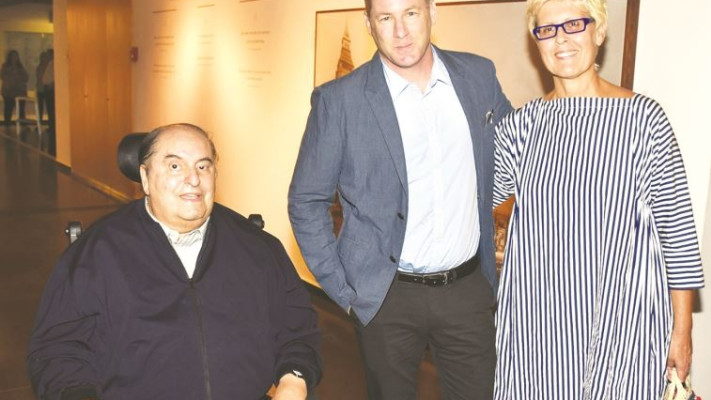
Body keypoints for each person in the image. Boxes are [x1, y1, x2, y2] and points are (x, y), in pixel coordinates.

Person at [288, 0, 512, 398]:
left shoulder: (478, 76)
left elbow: (517, 153)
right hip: (386, 296)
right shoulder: (340, 101)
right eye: (386, 18)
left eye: (411, 13)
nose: (401, 31)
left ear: (432, 12)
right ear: (368, 24)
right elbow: (306, 200)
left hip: (466, 290)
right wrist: (345, 292)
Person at [492, 0, 705, 398]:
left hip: (624, 328)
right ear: (536, 43)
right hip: (539, 331)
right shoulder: (522, 127)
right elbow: (471, 200)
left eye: (574, 24)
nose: (561, 39)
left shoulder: (644, 121)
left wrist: (682, 330)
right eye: (547, 30)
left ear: (600, 32)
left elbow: (677, 232)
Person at [28, 123, 322, 400]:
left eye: (203, 166)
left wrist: (293, 381)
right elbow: (58, 350)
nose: (193, 179)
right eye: (174, 166)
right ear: (145, 177)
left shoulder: (257, 248)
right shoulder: (97, 253)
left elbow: (298, 329)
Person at [1, 50, 29, 126]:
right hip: (8, 92)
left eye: (16, 56)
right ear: (9, 57)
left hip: (20, 91)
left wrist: (19, 75)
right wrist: (11, 72)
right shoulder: (5, 67)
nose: (14, 58)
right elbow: (3, 76)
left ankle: (22, 124)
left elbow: (26, 77)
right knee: (8, 108)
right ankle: (7, 124)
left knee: (21, 109)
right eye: (13, 56)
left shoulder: (20, 67)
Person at [35, 50, 51, 123]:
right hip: (41, 89)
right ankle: (40, 121)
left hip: (46, 89)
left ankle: (50, 122)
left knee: (49, 107)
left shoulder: (49, 67)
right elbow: (40, 78)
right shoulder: (40, 67)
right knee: (40, 107)